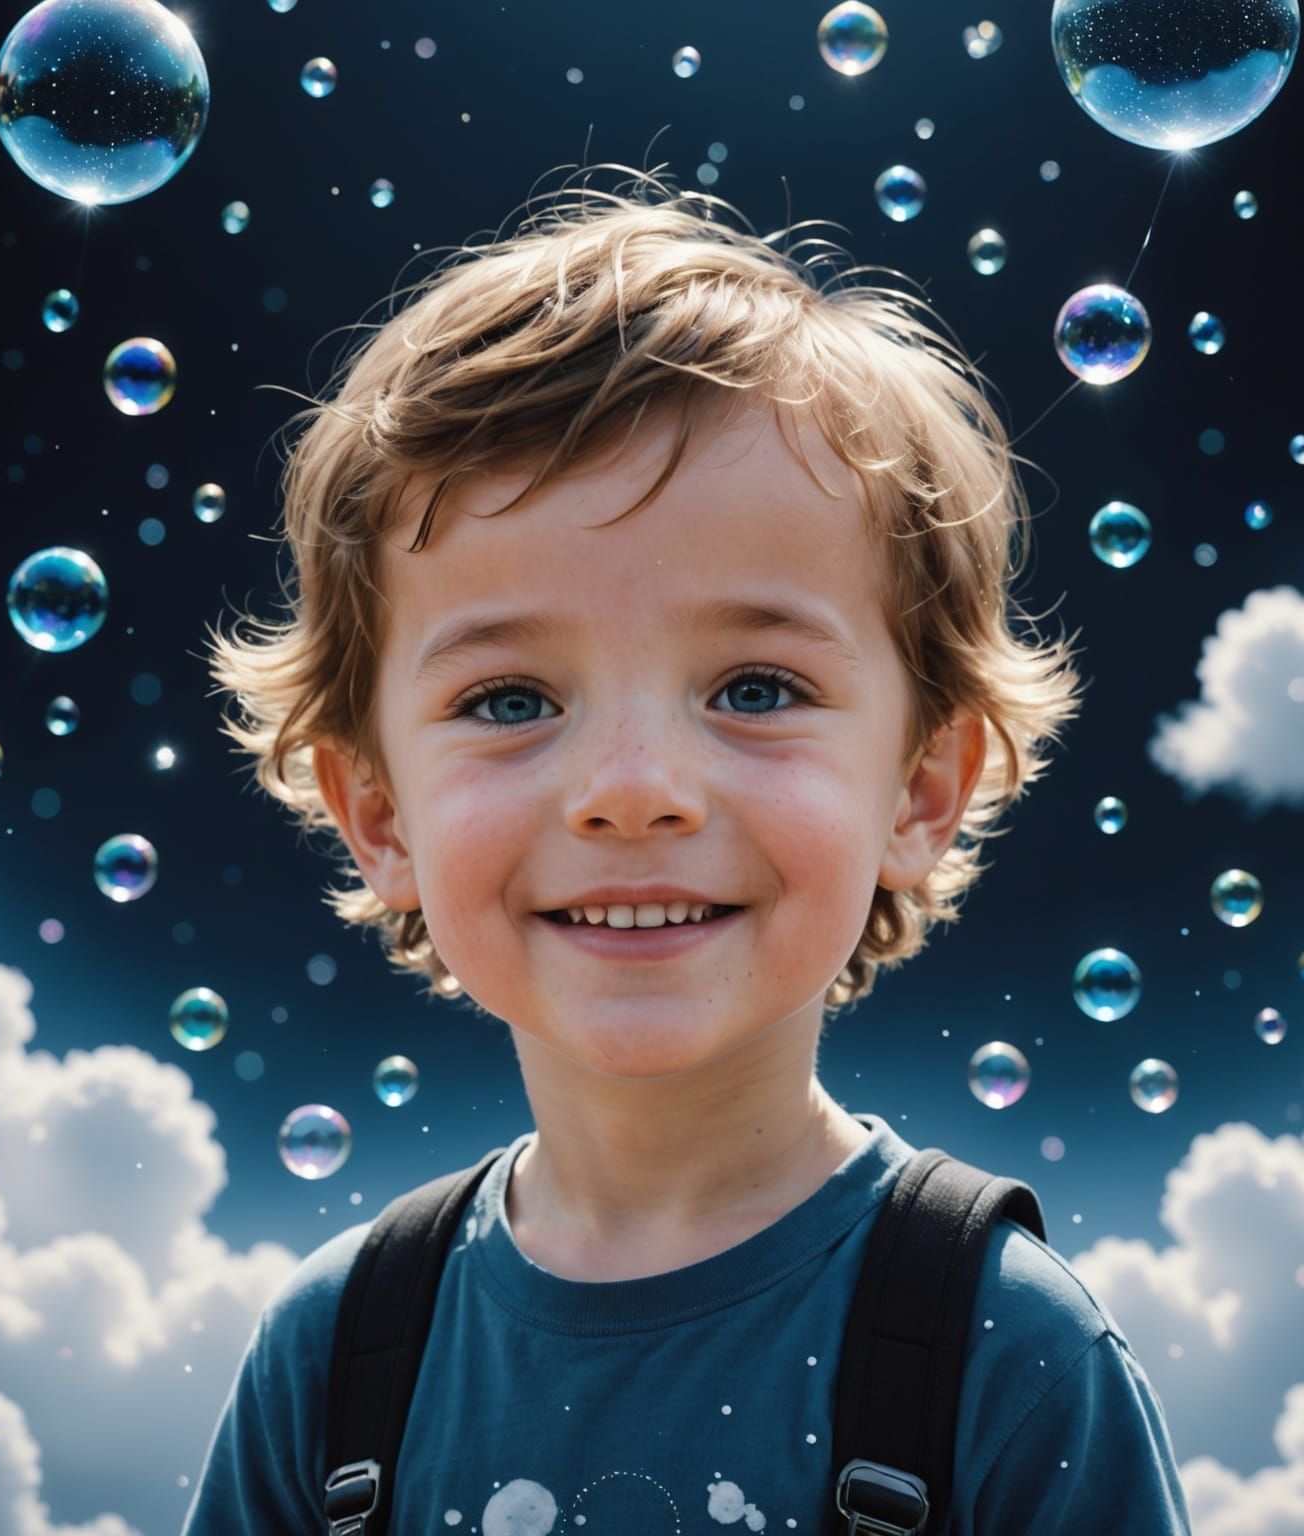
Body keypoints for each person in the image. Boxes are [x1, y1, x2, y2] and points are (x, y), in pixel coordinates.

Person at [183, 165, 1189, 1533]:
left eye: (756, 689)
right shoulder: (332, 1360)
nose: (633, 791)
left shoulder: (1006, 1357)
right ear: (377, 817)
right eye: (509, 701)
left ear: (922, 787)